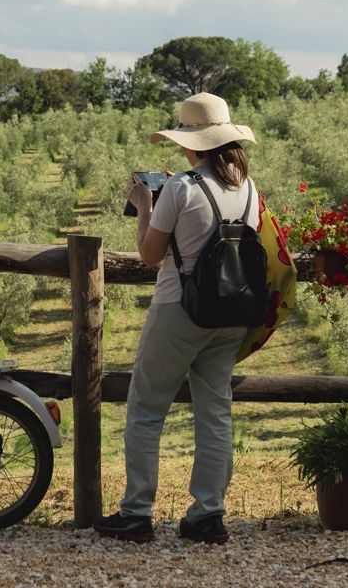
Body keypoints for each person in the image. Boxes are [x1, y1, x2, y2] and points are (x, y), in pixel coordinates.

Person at [93, 92, 260, 544]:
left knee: (146, 408)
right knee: (215, 412)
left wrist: (146, 204)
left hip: (179, 309)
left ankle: (136, 512)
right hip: (232, 312)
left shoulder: (182, 188)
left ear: (190, 142)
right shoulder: (249, 191)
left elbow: (149, 254)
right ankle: (208, 515)